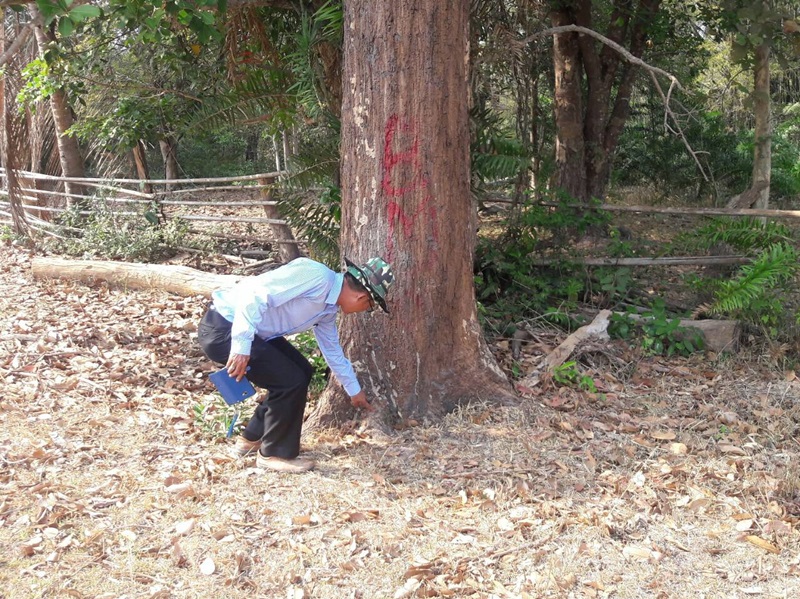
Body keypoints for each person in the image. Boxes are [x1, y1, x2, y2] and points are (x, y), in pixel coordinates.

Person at [197, 256, 394, 473]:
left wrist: (354, 390)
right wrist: (241, 346)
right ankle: (273, 454)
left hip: (254, 333)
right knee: (290, 380)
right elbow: (255, 294)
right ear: (361, 297)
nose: (364, 310)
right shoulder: (316, 276)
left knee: (302, 370)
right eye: (369, 306)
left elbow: (332, 351)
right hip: (224, 328)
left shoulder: (328, 310)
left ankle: (252, 438)